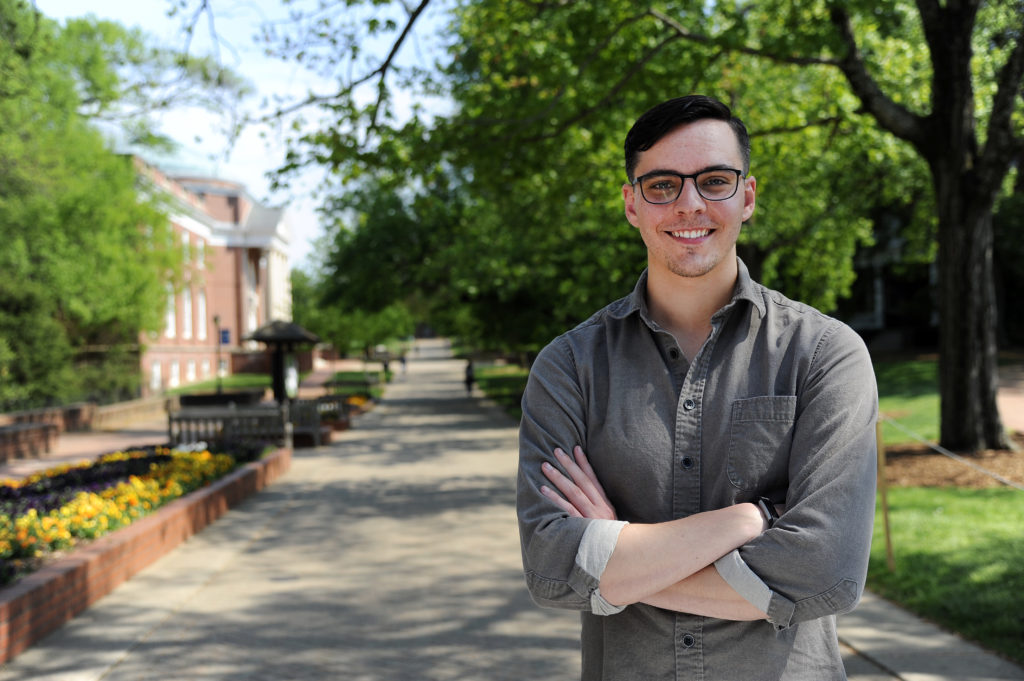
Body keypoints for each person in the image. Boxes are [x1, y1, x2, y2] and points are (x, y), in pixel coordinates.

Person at [516, 94, 878, 680]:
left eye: (714, 181)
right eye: (662, 185)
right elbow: (553, 569)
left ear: (748, 197)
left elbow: (826, 573)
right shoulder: (568, 367)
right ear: (631, 204)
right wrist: (750, 520)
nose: (689, 204)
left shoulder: (825, 354)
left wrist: (618, 554)